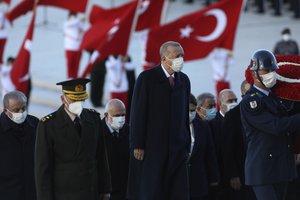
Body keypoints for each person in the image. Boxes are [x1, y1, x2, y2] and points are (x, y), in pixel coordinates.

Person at [127, 41, 191, 200]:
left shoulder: (184, 80)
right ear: (164, 59)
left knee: (178, 191)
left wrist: (186, 141)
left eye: (182, 55)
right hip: (153, 146)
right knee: (153, 190)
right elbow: (138, 112)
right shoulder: (147, 78)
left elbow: (184, 114)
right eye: (177, 56)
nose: (181, 59)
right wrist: (138, 143)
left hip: (177, 145)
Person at [35, 78, 111, 200]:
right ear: (63, 98)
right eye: (74, 99)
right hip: (63, 193)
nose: (78, 103)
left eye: (81, 99)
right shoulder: (48, 125)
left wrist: (106, 188)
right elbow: (43, 169)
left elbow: (101, 156)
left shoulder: (94, 119)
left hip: (90, 190)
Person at [240, 49, 300, 200]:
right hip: (263, 169)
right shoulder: (252, 102)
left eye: (273, 70)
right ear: (254, 74)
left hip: (281, 167)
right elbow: (276, 126)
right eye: (266, 71)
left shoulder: (276, 97)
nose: (271, 74)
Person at [0, 91, 39, 200]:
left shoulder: (35, 123)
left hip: (31, 192)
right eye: (16, 110)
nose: (21, 113)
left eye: (23, 108)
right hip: (6, 192)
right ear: (6, 110)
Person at [221, 80, 256, 200]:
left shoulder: (264, 110)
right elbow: (227, 148)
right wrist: (233, 175)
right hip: (242, 171)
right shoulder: (232, 116)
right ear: (243, 95)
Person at [188, 94, 219, 200]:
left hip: (199, 182)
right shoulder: (172, 127)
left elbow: (210, 153)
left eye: (192, 110)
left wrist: (214, 178)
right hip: (179, 184)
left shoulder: (202, 126)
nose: (191, 114)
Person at [208, 89, 238, 200]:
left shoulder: (242, 120)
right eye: (230, 101)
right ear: (220, 104)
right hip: (223, 177)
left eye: (235, 100)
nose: (234, 103)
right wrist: (232, 175)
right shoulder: (213, 125)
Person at [103, 99, 129, 200]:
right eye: (117, 116)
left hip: (124, 190)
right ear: (106, 115)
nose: (121, 119)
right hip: (106, 192)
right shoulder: (97, 133)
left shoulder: (129, 131)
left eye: (123, 115)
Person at [63, 12, 88, 78]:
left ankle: (75, 79)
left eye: (74, 16)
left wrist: (83, 23)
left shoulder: (78, 23)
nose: (72, 18)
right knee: (70, 65)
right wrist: (80, 20)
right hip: (69, 47)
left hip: (78, 47)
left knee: (77, 65)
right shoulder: (66, 23)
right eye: (72, 17)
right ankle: (70, 79)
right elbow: (73, 22)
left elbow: (86, 29)